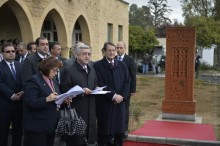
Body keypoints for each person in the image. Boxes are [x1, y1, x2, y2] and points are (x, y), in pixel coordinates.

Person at [93, 42, 130, 146]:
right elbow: (100, 83)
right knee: (105, 132)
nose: (112, 52)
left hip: (119, 103)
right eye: (109, 50)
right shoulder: (97, 66)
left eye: (113, 50)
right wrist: (113, 96)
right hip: (106, 103)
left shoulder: (122, 65)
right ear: (104, 52)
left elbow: (127, 82)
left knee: (119, 132)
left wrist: (121, 96)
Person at [60, 43, 97, 146]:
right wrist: (81, 91)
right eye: (84, 54)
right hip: (76, 111)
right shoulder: (69, 70)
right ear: (76, 55)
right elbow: (64, 90)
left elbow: (94, 84)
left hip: (90, 111)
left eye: (89, 54)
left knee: (89, 141)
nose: (87, 56)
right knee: (76, 141)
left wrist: (97, 89)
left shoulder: (92, 69)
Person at [23, 56, 63, 146]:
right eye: (54, 70)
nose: (56, 73)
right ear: (47, 67)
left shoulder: (53, 80)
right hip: (37, 127)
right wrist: (46, 99)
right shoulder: (34, 80)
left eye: (57, 71)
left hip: (50, 125)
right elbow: (29, 102)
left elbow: (55, 96)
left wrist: (64, 99)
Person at [0, 42, 23, 146]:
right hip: (4, 106)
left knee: (18, 132)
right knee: (3, 133)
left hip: (19, 105)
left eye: (13, 51)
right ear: (3, 53)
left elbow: (26, 81)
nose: (11, 53)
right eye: (8, 51)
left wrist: (23, 92)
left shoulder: (20, 65)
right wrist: (11, 95)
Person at [116, 41, 136, 139]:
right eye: (117, 48)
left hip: (126, 90)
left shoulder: (130, 60)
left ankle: (124, 130)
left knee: (124, 110)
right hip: (115, 91)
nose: (119, 50)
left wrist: (133, 90)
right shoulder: (113, 59)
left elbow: (133, 76)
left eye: (121, 48)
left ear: (125, 48)